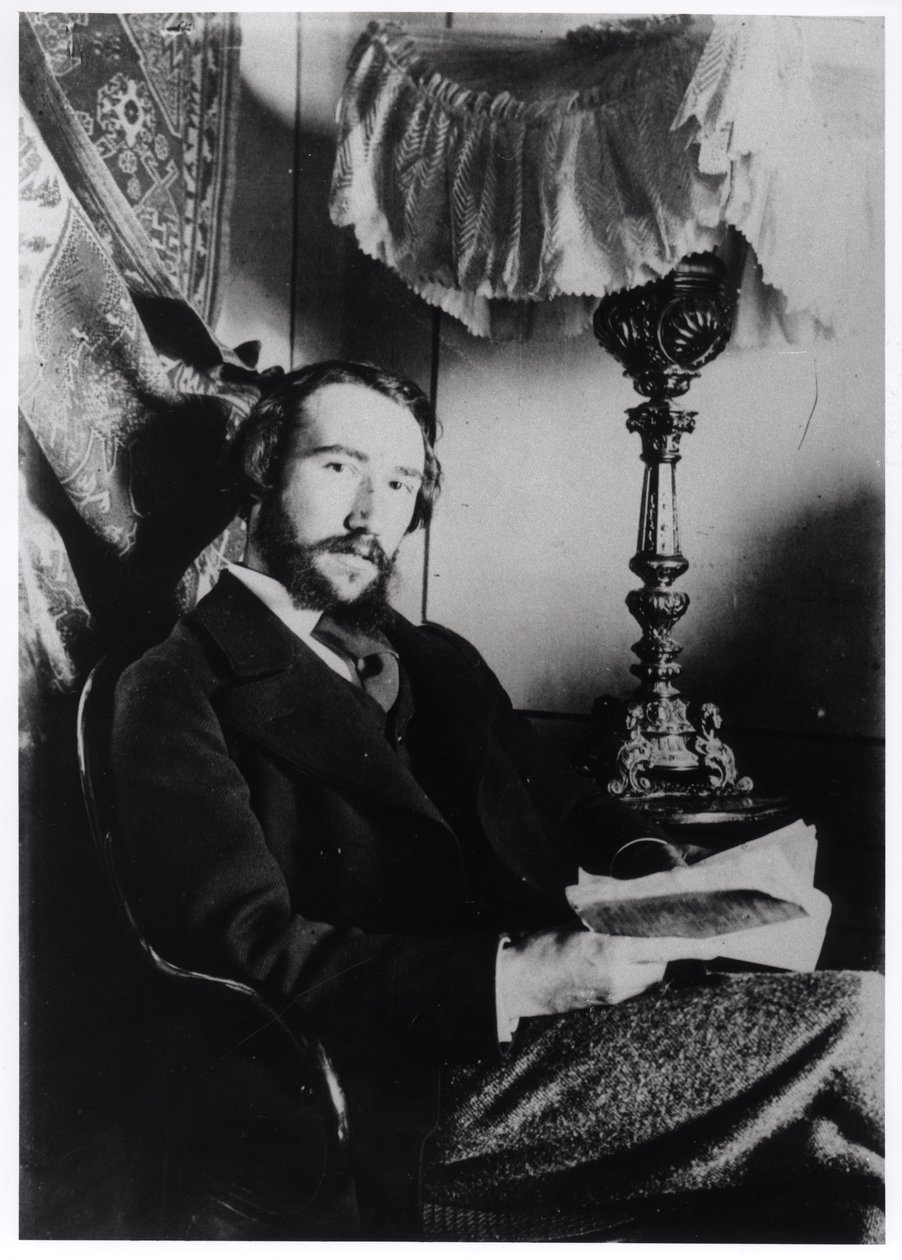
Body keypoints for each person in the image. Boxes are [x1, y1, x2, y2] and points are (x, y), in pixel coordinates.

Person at [111, 360, 883, 1242]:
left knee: (848, 1180)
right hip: (405, 1093)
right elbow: (248, 950)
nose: (369, 514)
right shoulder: (174, 687)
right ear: (259, 473)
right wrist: (519, 978)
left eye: (397, 483)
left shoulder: (435, 657)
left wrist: (655, 870)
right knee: (866, 1022)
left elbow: (567, 798)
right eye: (337, 465)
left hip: (554, 1041)